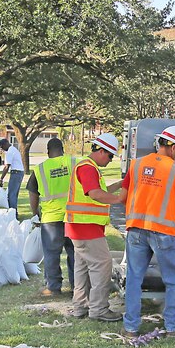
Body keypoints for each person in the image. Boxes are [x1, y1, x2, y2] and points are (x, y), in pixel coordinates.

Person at [120, 126, 175, 339]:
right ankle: (173, 326)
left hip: (136, 229)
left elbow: (124, 195)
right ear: (172, 147)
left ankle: (130, 328)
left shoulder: (136, 165)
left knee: (134, 278)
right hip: (164, 232)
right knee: (173, 279)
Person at [65, 132, 123, 322]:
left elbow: (101, 191)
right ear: (100, 150)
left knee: (82, 268)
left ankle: (80, 306)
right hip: (86, 227)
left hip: (79, 226)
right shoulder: (88, 168)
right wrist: (119, 199)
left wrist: (121, 184)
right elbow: (95, 194)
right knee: (102, 264)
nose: (110, 160)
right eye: (110, 156)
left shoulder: (87, 167)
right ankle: (99, 309)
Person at [28, 137, 74, 297]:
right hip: (73, 217)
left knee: (52, 254)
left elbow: (33, 194)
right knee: (75, 253)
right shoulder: (73, 163)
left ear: (48, 152)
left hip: (50, 219)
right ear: (63, 149)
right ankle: (77, 286)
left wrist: (35, 213)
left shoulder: (40, 169)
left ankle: (53, 287)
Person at [0, 138, 25, 215]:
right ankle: (14, 212)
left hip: (16, 173)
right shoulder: (14, 149)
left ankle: (13, 214)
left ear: (6, 144)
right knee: (14, 194)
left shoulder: (9, 152)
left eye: (2, 146)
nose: (2, 149)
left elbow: (6, 167)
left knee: (11, 195)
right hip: (20, 172)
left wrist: (1, 178)